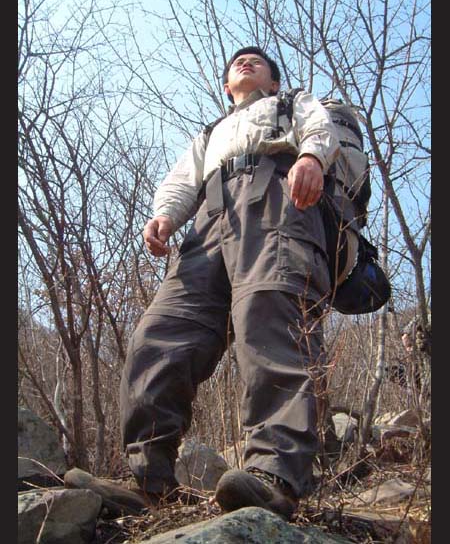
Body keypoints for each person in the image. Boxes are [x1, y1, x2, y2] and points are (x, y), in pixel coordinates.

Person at [119, 46, 344, 520]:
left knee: (271, 324)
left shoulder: (290, 103)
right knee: (160, 335)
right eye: (237, 63)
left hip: (277, 201)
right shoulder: (211, 131)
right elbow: (183, 179)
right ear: (226, 86)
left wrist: (311, 157)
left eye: (257, 61)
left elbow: (320, 128)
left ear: (274, 82)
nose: (245, 62)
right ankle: (148, 481)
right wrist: (164, 216)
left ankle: (275, 476)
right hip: (209, 220)